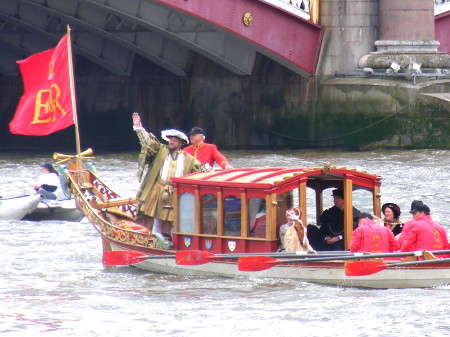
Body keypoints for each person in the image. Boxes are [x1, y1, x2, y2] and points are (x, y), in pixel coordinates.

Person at [132, 112, 204, 234]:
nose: (171, 142)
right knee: (157, 220)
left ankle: (174, 244)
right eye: (170, 140)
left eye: (174, 141)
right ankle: (156, 241)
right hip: (158, 189)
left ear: (180, 143)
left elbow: (201, 171)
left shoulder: (189, 158)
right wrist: (138, 127)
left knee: (175, 221)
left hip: (176, 193)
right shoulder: (160, 150)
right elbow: (147, 142)